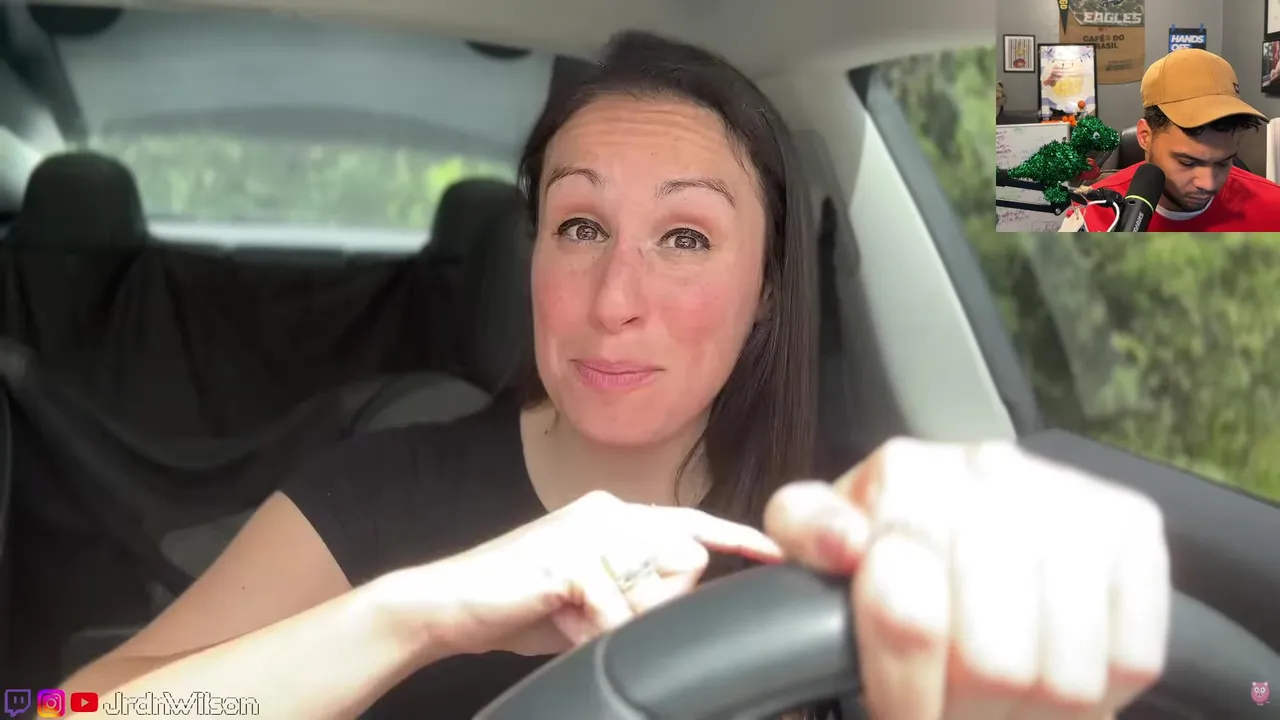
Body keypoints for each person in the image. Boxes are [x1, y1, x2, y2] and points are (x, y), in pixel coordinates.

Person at [63, 32, 1171, 720]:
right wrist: (418, 613)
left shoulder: (859, 523)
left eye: (684, 238)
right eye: (580, 226)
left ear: (769, 289)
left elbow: (1180, 109)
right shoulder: (378, 494)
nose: (612, 301)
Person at [1060, 48, 1280, 232]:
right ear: (1145, 137)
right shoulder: (1092, 215)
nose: (1208, 183)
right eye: (1187, 162)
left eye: (1223, 162)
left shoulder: (1273, 208)